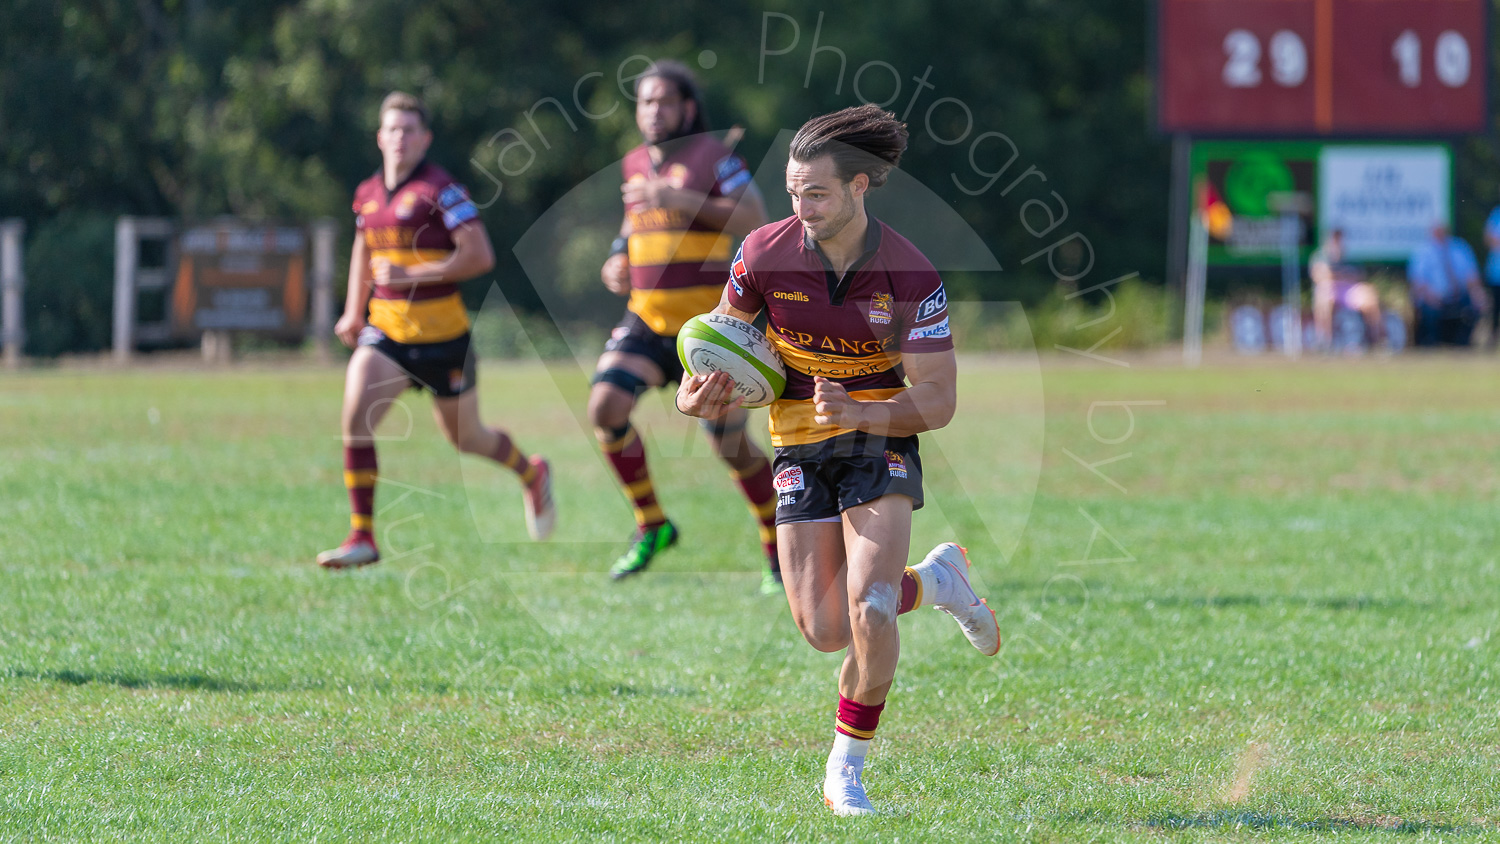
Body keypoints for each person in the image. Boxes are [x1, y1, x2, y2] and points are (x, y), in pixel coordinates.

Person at [676, 105, 1001, 816]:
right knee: (826, 630)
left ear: (860, 187)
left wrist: (863, 413)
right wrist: (692, 398)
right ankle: (939, 582)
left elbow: (939, 400)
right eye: (794, 192)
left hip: (879, 440)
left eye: (816, 193)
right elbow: (715, 343)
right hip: (796, 443)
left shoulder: (910, 273)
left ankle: (845, 769)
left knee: (871, 608)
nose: (802, 207)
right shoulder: (762, 254)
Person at [317, 92, 555, 568]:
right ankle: (361, 536)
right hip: (386, 334)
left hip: (445, 341)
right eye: (393, 129)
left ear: (424, 139)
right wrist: (352, 310)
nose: (400, 138)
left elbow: (479, 256)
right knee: (354, 418)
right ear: (379, 137)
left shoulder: (441, 191)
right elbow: (365, 249)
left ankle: (530, 474)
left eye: (410, 130)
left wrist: (413, 274)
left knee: (467, 439)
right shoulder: (367, 193)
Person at [590, 60, 781, 591]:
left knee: (729, 447)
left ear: (686, 109)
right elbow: (632, 220)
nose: (654, 112)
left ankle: (774, 543)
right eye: (646, 102)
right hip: (648, 318)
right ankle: (652, 523)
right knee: (605, 407)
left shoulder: (714, 157)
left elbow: (755, 216)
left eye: (664, 102)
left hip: (712, 329)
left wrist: (679, 200)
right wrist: (616, 257)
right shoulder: (634, 162)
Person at [1407, 221, 1488, 347]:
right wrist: (1432, 296)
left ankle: (1463, 344)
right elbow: (1418, 281)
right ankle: (1432, 344)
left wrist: (1477, 294)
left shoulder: (1460, 248)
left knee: (1474, 307)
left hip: (1459, 296)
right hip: (1434, 297)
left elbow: (1472, 277)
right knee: (1430, 311)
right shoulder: (1423, 251)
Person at [1309, 229, 1383, 350]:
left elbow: (1358, 275)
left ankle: (1378, 340)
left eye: (1339, 239)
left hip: (1348, 291)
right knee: (1324, 296)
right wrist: (1342, 275)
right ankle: (1325, 341)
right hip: (1330, 290)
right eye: (1334, 238)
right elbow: (1321, 276)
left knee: (1370, 296)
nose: (1337, 242)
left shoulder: (1349, 257)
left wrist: (1337, 274)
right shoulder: (1321, 256)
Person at [1483, 205, 1500, 349]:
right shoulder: (1496, 213)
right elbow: (1489, 238)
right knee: (1495, 309)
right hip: (1496, 271)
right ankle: (1492, 338)